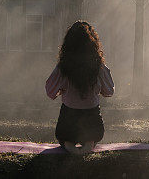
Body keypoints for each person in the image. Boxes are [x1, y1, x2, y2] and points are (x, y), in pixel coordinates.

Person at [45, 21, 115, 155]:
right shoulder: (98, 66)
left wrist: (62, 90)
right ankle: (89, 142)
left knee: (65, 137)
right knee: (92, 135)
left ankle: (69, 144)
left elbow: (50, 92)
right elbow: (109, 91)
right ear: (93, 43)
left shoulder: (63, 67)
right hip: (92, 124)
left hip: (68, 124)